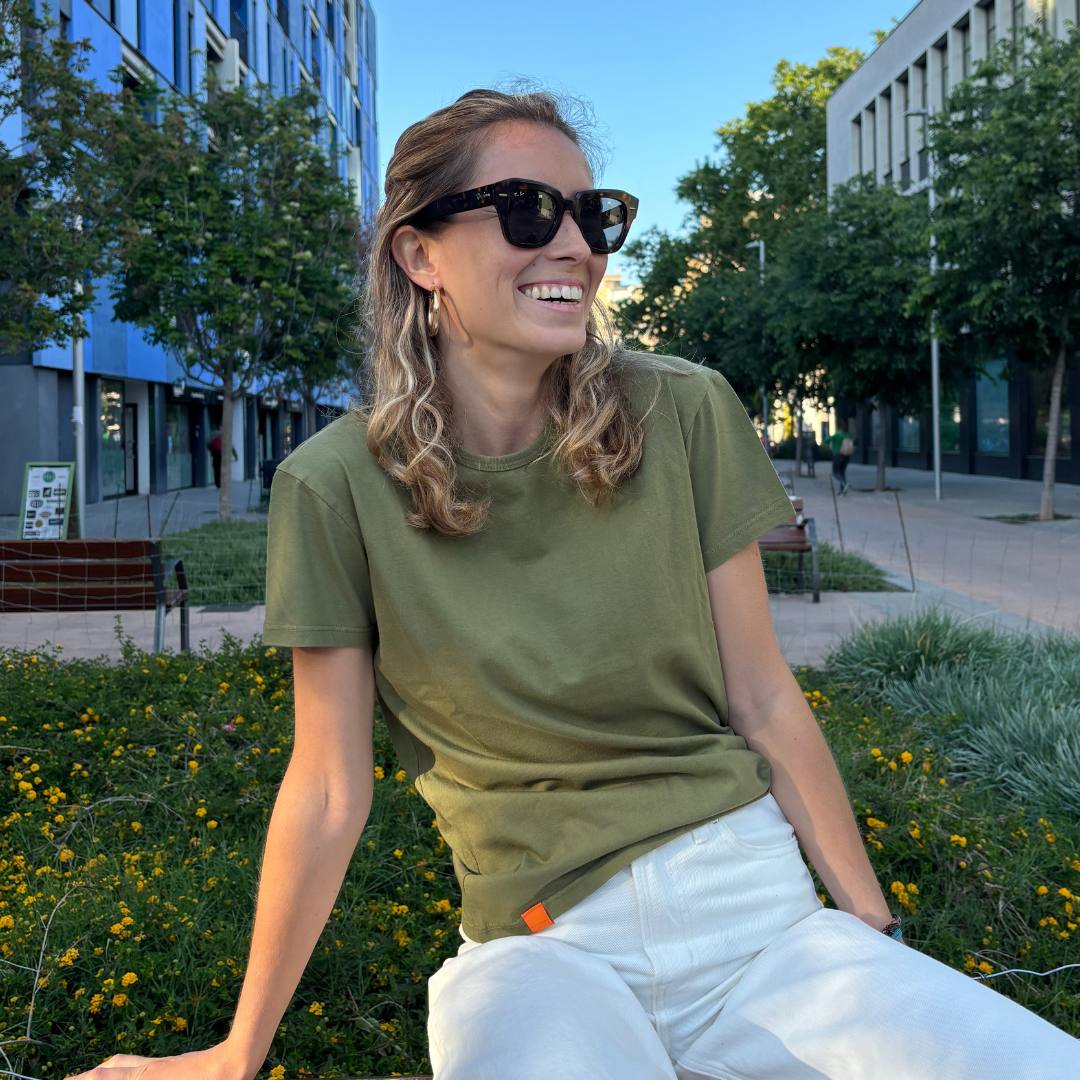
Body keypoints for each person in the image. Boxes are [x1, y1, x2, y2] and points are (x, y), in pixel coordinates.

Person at [65, 89, 1080, 1080]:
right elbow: (328, 786)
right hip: (542, 951)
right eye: (526, 210)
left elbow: (762, 695)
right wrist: (239, 1053)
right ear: (419, 255)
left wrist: (869, 931)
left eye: (592, 216)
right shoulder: (332, 488)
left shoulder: (679, 411)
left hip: (757, 916)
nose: (574, 247)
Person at [829, 420, 855, 495]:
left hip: (838, 455)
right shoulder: (848, 435)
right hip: (847, 456)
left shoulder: (837, 435)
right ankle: (843, 490)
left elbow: (827, 440)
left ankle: (844, 484)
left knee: (835, 473)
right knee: (842, 472)